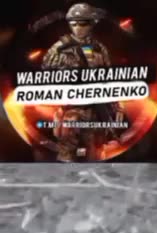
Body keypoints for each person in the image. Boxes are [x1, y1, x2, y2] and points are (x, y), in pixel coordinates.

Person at [41, 4, 125, 162]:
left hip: (95, 111)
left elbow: (109, 80)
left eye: (83, 23)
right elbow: (44, 78)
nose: (78, 28)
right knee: (67, 153)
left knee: (95, 153)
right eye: (74, 23)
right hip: (70, 110)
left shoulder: (99, 49)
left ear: (91, 24)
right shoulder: (58, 49)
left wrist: (117, 106)